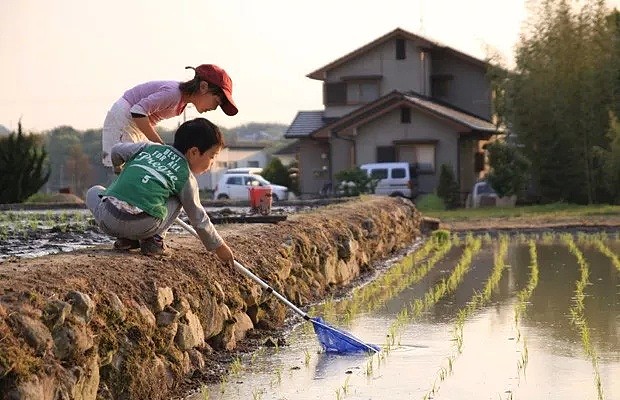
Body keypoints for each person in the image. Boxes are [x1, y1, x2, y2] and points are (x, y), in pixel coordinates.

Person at [86, 117, 234, 265]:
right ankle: (154, 241)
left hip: (108, 219)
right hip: (142, 225)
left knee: (94, 191)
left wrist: (118, 169)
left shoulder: (148, 147)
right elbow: (198, 218)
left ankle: (127, 241)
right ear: (194, 152)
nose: (212, 163)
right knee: (179, 197)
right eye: (212, 156)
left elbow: (116, 150)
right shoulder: (185, 177)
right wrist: (220, 247)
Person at [101, 64, 238, 169]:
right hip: (124, 120)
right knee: (127, 168)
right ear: (203, 87)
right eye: (216, 102)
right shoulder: (174, 94)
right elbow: (137, 111)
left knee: (137, 167)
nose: (214, 108)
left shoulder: (181, 104)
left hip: (135, 125)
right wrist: (160, 146)